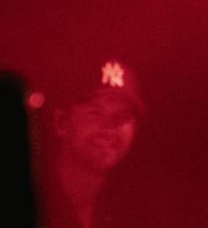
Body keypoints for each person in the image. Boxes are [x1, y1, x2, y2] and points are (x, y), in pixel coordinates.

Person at [40, 58, 146, 228]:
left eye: (123, 115)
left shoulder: (136, 210)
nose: (109, 125)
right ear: (61, 122)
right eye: (95, 113)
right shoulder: (22, 202)